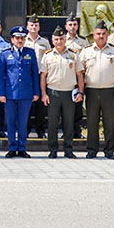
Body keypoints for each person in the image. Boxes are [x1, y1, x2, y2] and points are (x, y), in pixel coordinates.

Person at [79, 20, 114, 159]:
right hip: (92, 90)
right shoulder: (86, 51)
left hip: (109, 90)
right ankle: (92, 150)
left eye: (104, 34)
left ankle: (109, 150)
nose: (101, 36)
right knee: (92, 121)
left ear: (107, 35)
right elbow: (80, 72)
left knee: (109, 122)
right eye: (98, 33)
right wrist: (80, 90)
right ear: (94, 35)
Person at [40, 26, 84, 158]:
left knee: (69, 123)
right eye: (56, 39)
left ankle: (68, 149)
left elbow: (80, 75)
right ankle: (53, 149)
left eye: (61, 38)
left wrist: (81, 92)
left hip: (68, 93)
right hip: (53, 92)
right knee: (52, 123)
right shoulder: (47, 56)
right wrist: (43, 94)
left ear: (65, 39)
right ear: (52, 40)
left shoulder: (73, 55)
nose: (59, 41)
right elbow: (43, 76)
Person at [0, 26, 40, 157]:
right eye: (17, 38)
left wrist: (36, 92)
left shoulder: (30, 53)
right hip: (10, 94)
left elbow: (35, 74)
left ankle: (22, 147)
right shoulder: (5, 53)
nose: (20, 40)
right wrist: (1, 93)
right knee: (10, 122)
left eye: (22, 38)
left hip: (26, 94)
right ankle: (12, 147)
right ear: (12, 39)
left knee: (23, 122)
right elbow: (1, 75)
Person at [24, 15, 51, 138]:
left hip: (41, 75)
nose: (34, 27)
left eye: (36, 25)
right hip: (27, 76)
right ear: (27, 27)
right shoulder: (23, 40)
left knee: (41, 105)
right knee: (27, 104)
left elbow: (50, 58)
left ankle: (40, 130)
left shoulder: (44, 42)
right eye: (31, 25)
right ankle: (27, 129)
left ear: (39, 27)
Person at [64, 13, 88, 138]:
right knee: (66, 106)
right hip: (67, 76)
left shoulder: (83, 41)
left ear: (77, 26)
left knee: (78, 106)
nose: (72, 27)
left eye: (74, 24)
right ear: (66, 26)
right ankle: (66, 131)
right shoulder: (62, 40)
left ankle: (77, 131)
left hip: (80, 76)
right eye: (70, 25)